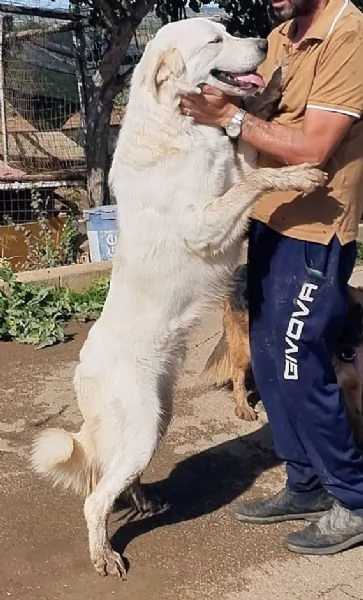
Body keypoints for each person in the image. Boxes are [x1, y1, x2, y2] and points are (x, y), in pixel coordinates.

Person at [180, 0, 363, 555]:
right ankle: (304, 483)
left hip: (316, 228)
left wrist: (229, 117)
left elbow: (313, 146)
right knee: (266, 360)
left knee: (297, 357)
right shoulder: (282, 34)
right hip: (266, 218)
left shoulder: (348, 33)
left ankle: (352, 498)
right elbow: (259, 114)